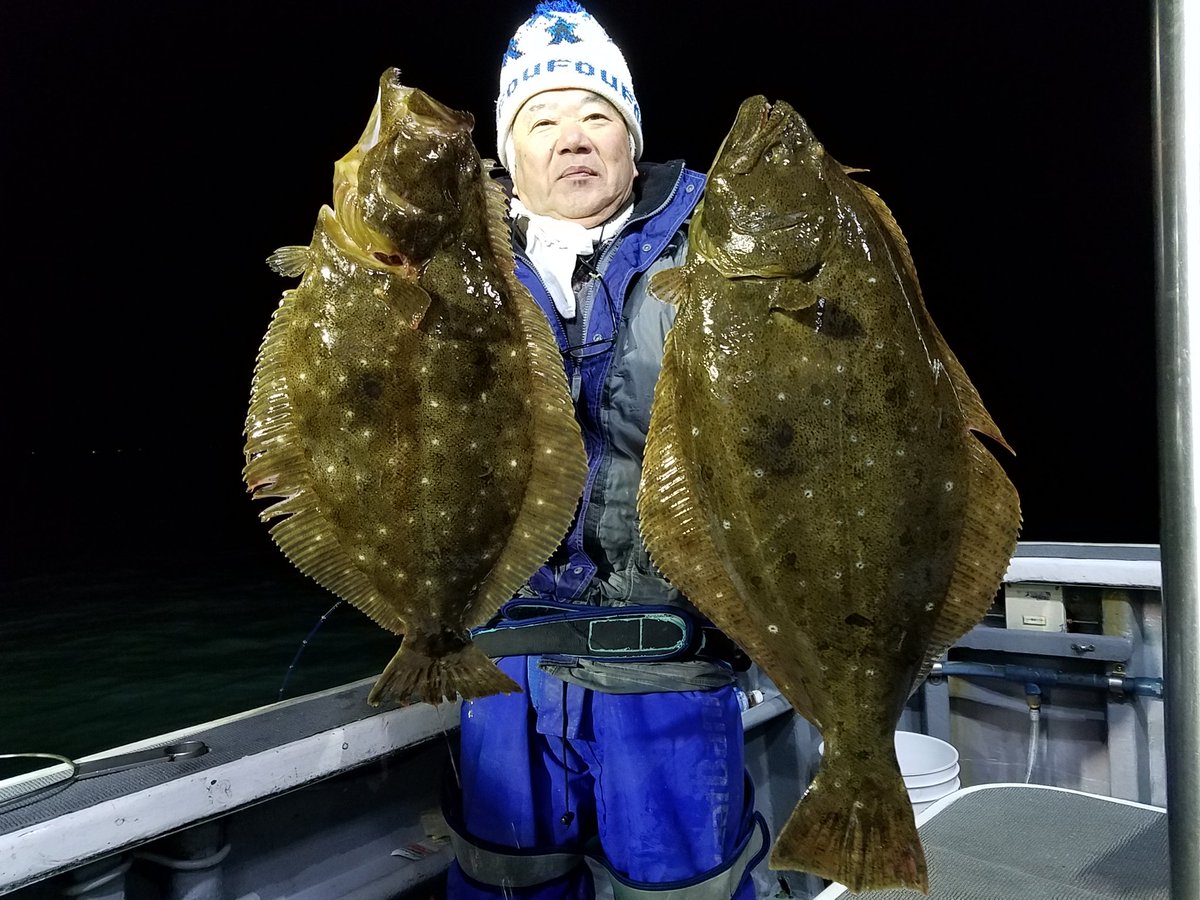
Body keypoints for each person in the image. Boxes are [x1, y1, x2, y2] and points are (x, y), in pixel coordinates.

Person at [443, 3, 767, 899]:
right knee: (509, 879)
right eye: (542, 120)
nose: (573, 140)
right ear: (510, 153)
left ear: (632, 141)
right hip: (498, 667)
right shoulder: (449, 267)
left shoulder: (726, 250)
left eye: (598, 116)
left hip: (667, 660)